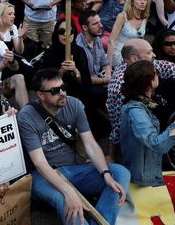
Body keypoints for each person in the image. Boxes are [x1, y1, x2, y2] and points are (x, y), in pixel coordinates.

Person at [17, 68, 129, 225]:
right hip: (44, 175)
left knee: (120, 173)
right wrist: (68, 191)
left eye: (63, 87)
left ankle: (100, 221)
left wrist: (106, 174)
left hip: (73, 169)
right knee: (64, 198)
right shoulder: (26, 116)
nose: (62, 93)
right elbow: (40, 163)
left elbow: (90, 143)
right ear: (40, 95)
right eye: (55, 91)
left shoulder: (74, 104)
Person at [107, 39, 175, 160]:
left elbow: (171, 68)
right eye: (149, 52)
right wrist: (112, 155)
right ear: (134, 58)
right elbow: (118, 126)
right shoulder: (121, 91)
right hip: (138, 148)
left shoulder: (142, 65)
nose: (154, 55)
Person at [120, 60, 175, 186]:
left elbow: (164, 135)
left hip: (155, 169)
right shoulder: (135, 111)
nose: (159, 75)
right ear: (149, 81)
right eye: (156, 72)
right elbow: (157, 144)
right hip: (144, 179)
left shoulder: (153, 102)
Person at [107, 0, 150, 67]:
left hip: (135, 56)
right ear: (132, 1)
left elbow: (141, 40)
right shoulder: (122, 16)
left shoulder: (144, 17)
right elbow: (111, 41)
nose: (143, 2)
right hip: (119, 54)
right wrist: (108, 66)